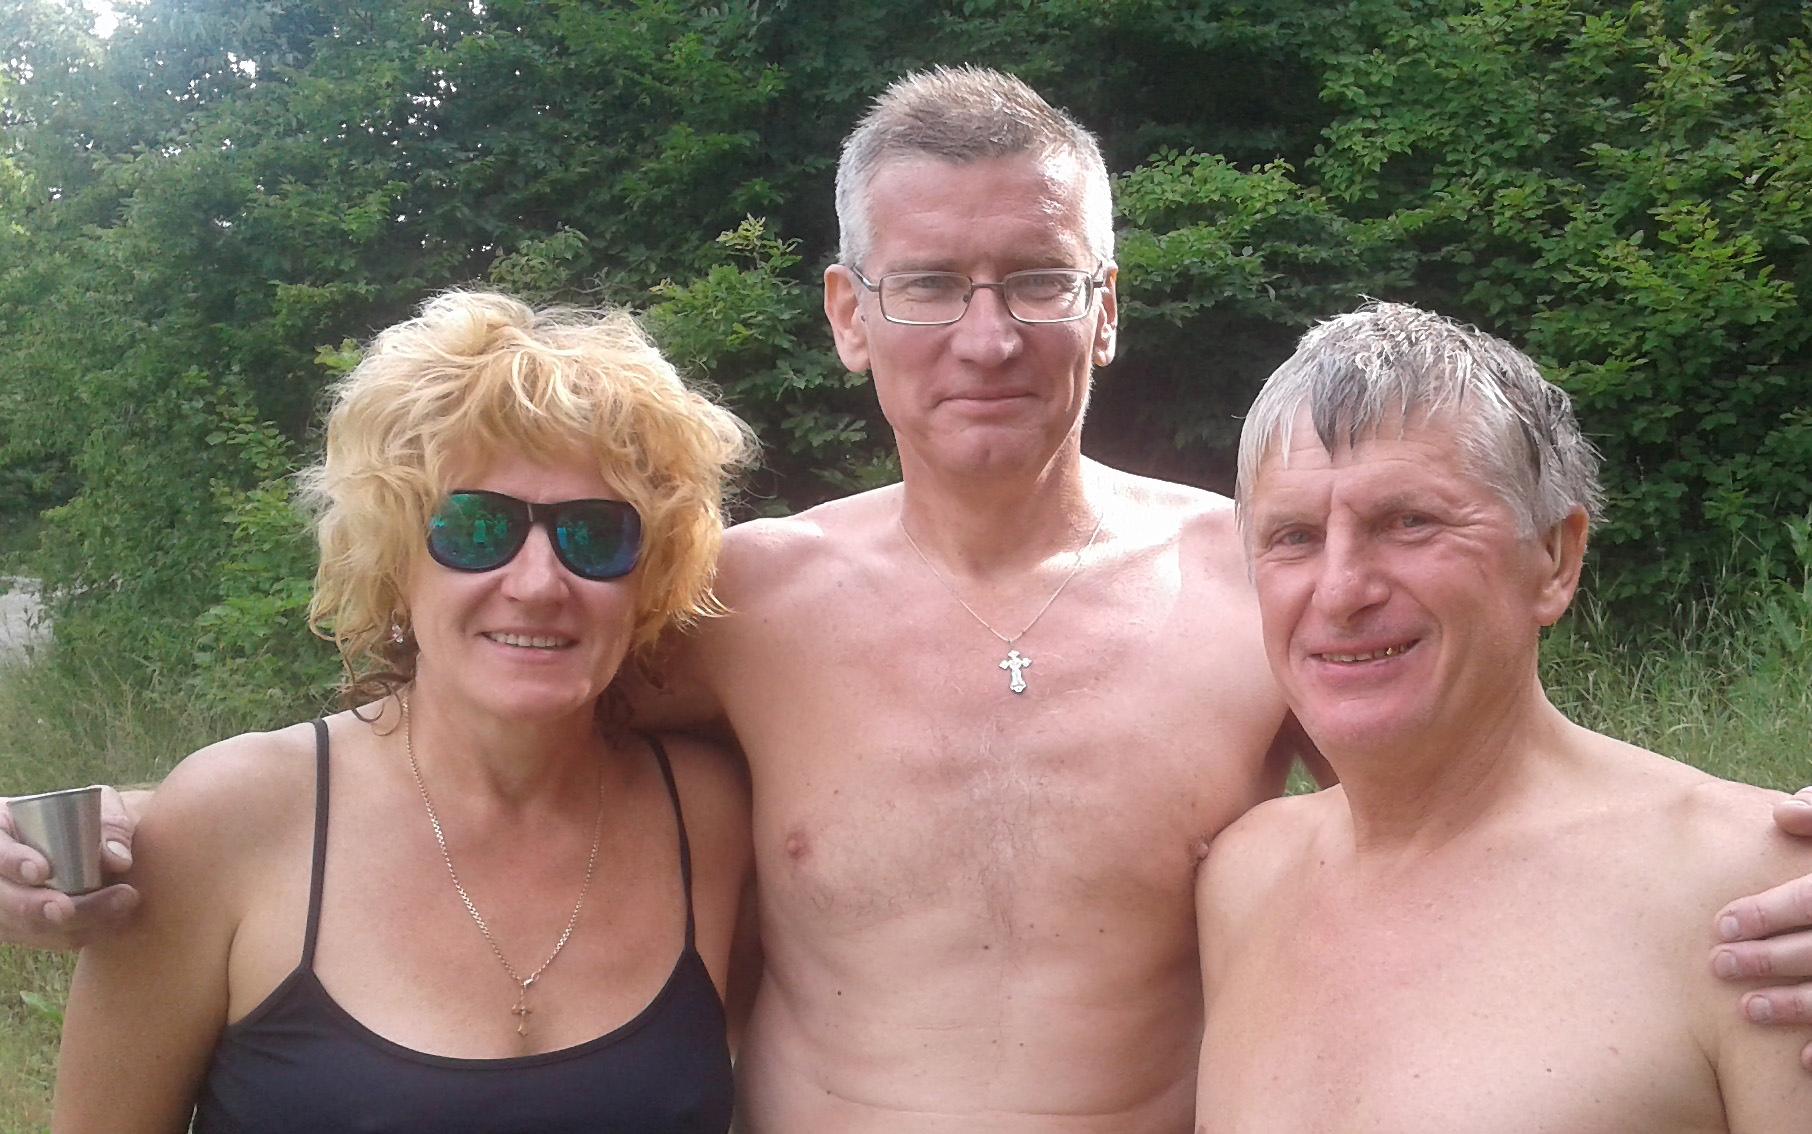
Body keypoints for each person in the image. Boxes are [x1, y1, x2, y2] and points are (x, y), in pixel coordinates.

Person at [6, 67, 1812, 1132]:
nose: (986, 334)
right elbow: (483, 699)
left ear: (1107, 306)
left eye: (1038, 279)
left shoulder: (1257, 577)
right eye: (930, 282)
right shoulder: (743, 603)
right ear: (846, 313)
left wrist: (1753, 854)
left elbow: (1485, 760)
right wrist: (167, 829)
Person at [48, 291, 756, 1132]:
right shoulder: (230, 823)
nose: (537, 584)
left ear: (650, 574)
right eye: (476, 528)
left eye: (595, 535)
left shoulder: (709, 819)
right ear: (393, 558)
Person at [1195, 302, 1812, 1132]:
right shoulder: (1243, 879)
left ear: (1555, 558)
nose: (1340, 592)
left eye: (1408, 522)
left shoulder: (1750, 890)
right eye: (1294, 537)